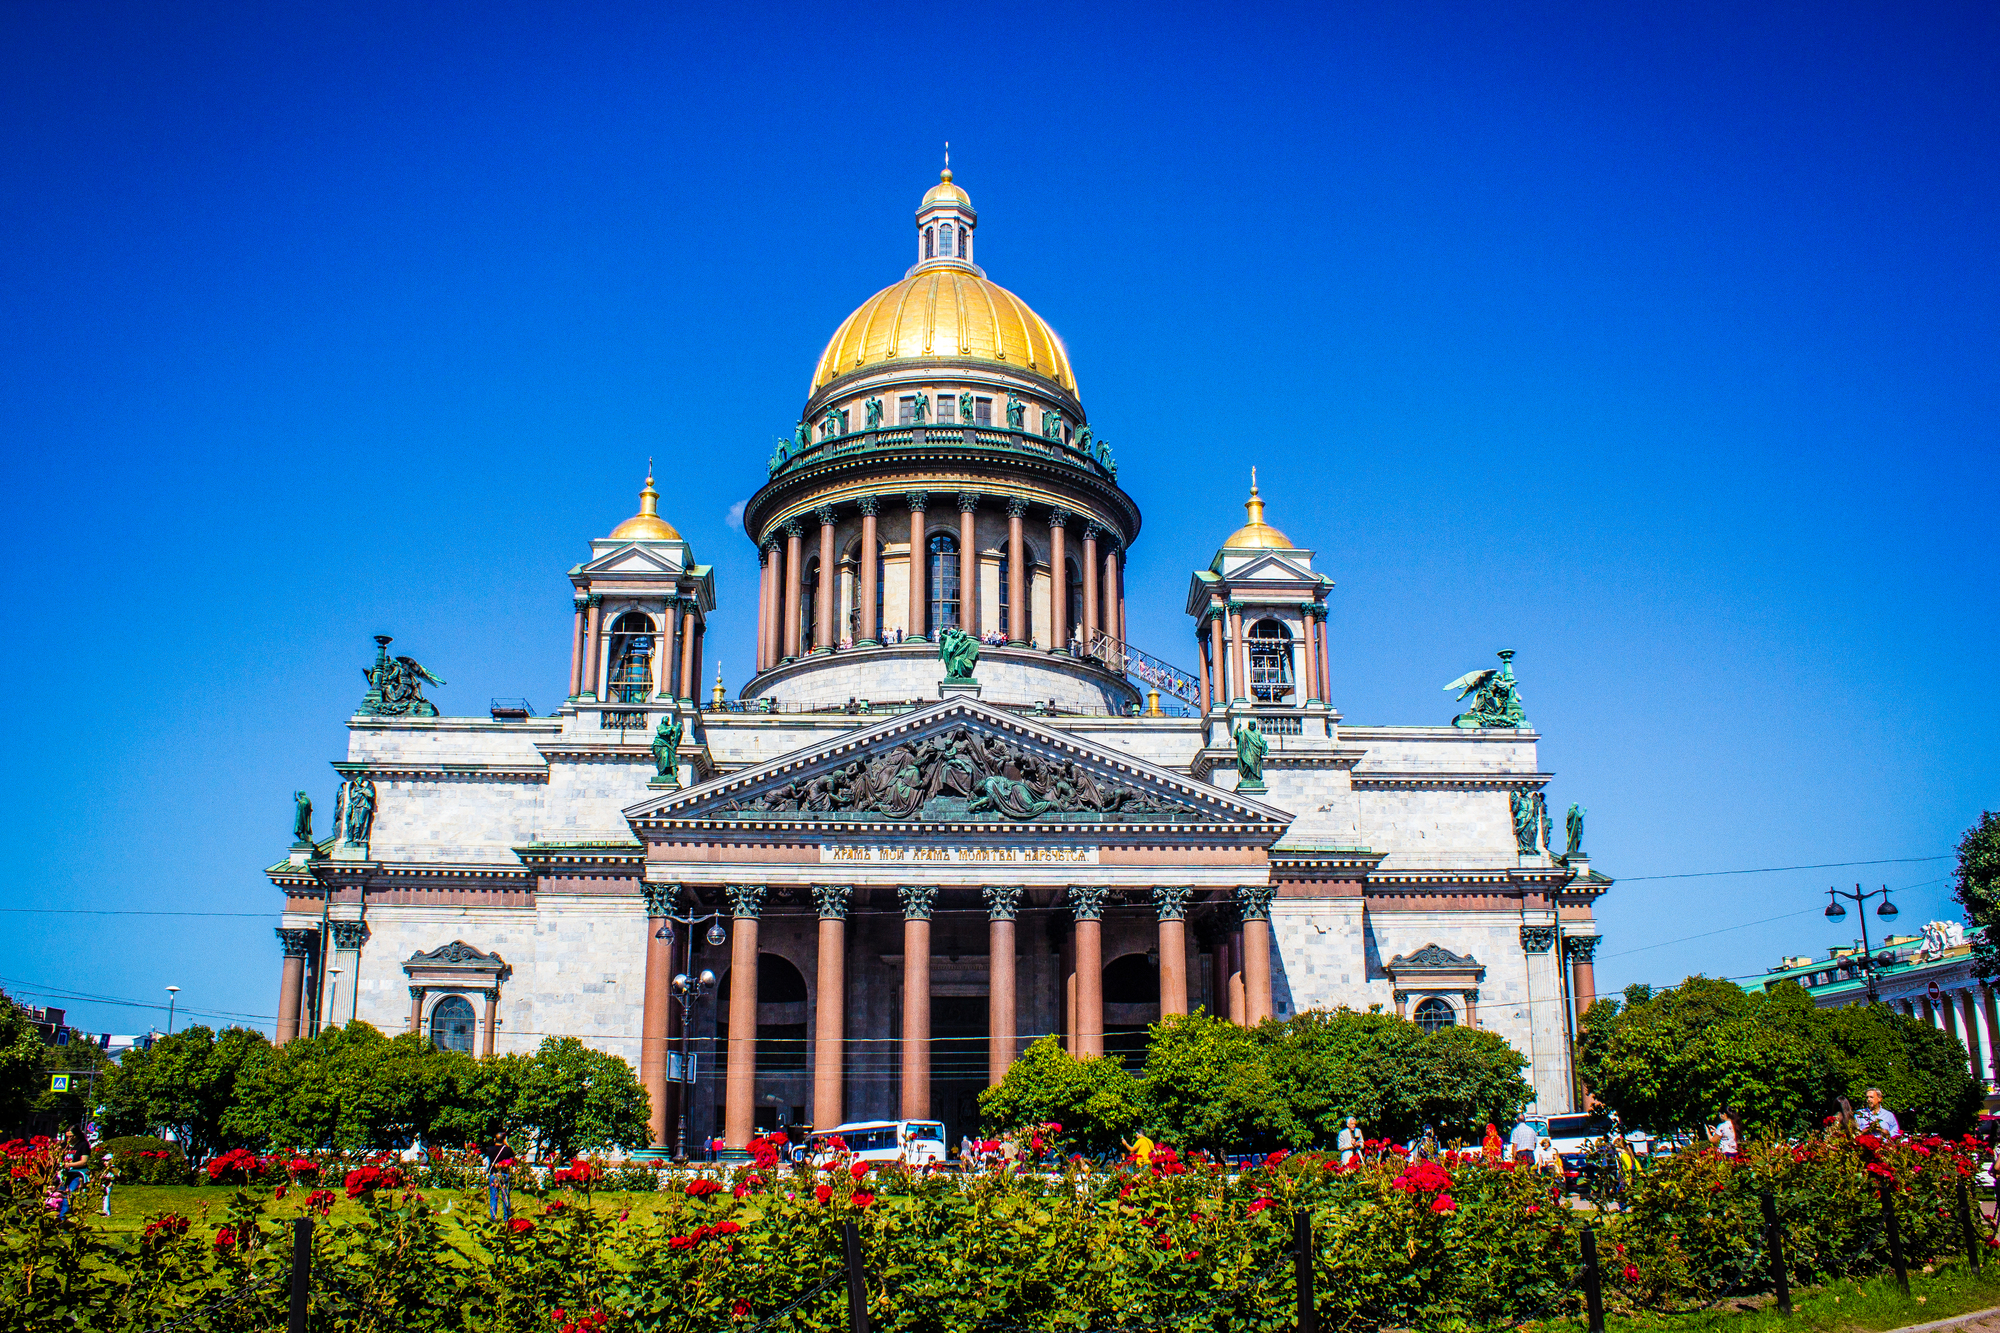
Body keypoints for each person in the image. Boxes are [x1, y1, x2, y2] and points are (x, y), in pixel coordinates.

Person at [486, 1137, 515, 1222]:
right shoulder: (508, 1149)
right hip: (504, 1174)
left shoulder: (490, 1149)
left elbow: (487, 1160)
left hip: (494, 1174)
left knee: (493, 1197)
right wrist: (507, 1144)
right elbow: (513, 1158)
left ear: (494, 1139)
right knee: (505, 1196)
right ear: (503, 1140)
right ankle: (506, 1217)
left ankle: (493, 1217)